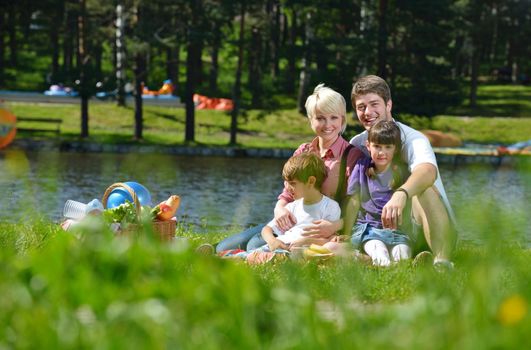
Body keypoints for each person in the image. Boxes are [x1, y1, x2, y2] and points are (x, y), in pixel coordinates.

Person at [212, 84, 362, 253]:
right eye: (320, 118)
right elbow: (288, 191)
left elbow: (355, 203)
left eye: (334, 117)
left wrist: (336, 225)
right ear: (310, 119)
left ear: (342, 119)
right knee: (224, 247)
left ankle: (243, 256)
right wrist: (280, 209)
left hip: (324, 229)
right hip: (292, 223)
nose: (327, 124)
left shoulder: (352, 155)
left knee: (254, 245)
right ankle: (213, 251)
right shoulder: (303, 150)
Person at [348, 75, 457, 268]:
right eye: (361, 107)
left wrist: (401, 194)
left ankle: (442, 261)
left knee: (423, 187)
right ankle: (372, 252)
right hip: (380, 230)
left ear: (389, 105)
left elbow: (427, 171)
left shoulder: (414, 139)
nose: (368, 112)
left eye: (374, 104)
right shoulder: (358, 143)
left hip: (425, 226)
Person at [344, 120, 411, 266]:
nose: (382, 152)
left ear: (396, 149)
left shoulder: (403, 172)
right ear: (368, 146)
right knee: (378, 249)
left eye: (388, 147)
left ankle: (403, 266)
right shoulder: (361, 167)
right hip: (368, 229)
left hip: (396, 232)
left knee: (402, 251)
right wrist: (347, 232)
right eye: (377, 146)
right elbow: (354, 201)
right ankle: (384, 265)